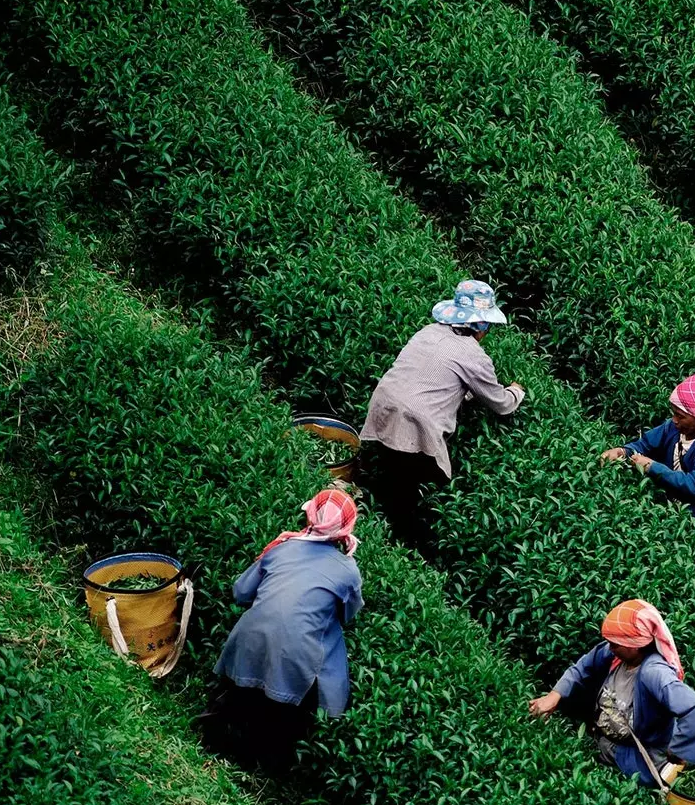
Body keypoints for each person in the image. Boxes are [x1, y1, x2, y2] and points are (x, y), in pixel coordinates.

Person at [199, 489, 364, 772]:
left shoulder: (282, 547)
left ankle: (217, 740)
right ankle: (269, 765)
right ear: (346, 528)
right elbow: (348, 615)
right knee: (328, 637)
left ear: (310, 515)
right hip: (294, 658)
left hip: (247, 642)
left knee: (238, 702)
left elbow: (241, 592)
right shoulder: (348, 570)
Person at [359, 280, 524, 549]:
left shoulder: (428, 332)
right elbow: (501, 403)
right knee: (406, 497)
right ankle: (405, 544)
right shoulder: (473, 355)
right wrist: (516, 391)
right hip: (415, 423)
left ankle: (377, 511)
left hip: (384, 404)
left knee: (389, 473)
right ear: (481, 326)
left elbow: (434, 377)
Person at [528, 599, 695, 787]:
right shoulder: (615, 653)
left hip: (638, 752)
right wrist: (553, 696)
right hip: (605, 731)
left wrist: (680, 751)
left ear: (634, 645)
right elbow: (582, 668)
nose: (609, 648)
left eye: (615, 644)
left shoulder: (654, 673)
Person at [599, 372, 695, 532]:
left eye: (680, 416)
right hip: (671, 504)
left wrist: (652, 467)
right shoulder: (673, 428)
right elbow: (645, 445)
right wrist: (622, 451)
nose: (674, 420)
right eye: (674, 413)